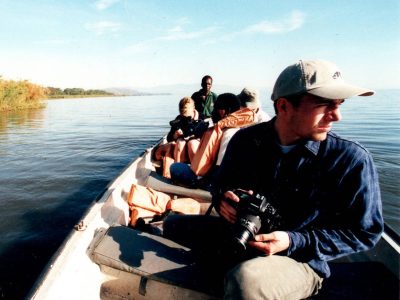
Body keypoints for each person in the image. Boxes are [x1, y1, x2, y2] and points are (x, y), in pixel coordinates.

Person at [163, 59, 384, 299]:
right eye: (324, 104)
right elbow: (221, 185)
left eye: (339, 104)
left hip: (299, 257)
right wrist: (221, 200)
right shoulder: (244, 141)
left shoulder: (351, 159)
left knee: (245, 282)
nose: (336, 116)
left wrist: (293, 241)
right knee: (173, 225)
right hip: (245, 236)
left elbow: (366, 232)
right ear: (284, 106)